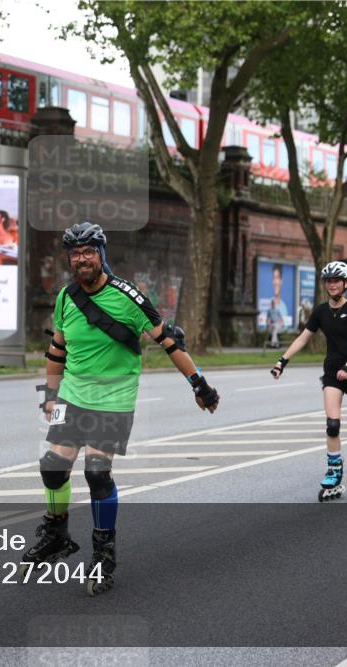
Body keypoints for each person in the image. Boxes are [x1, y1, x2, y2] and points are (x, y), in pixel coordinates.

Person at [23, 222, 220, 596]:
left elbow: (170, 342)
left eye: (88, 251)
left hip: (114, 398)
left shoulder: (128, 297)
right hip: (72, 395)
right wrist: (49, 394)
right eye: (75, 254)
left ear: (101, 254)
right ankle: (56, 533)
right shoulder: (66, 297)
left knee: (97, 473)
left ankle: (103, 554)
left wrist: (200, 385)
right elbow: (57, 349)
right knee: (52, 466)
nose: (82, 259)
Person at [270, 261, 347, 501]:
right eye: (329, 281)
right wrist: (282, 361)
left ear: (346, 283)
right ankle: (334, 472)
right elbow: (303, 338)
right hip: (332, 372)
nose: (332, 285)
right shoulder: (320, 312)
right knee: (332, 425)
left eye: (337, 280)